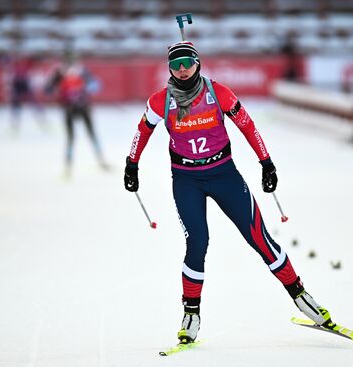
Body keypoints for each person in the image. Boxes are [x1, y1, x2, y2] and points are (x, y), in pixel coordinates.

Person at [123, 41, 334, 344]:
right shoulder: (161, 100)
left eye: (187, 62)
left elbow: (248, 127)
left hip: (224, 175)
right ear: (169, 68)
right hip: (186, 180)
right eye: (175, 64)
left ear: (198, 63)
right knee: (197, 242)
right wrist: (132, 165)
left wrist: (266, 163)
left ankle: (300, 295)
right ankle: (191, 313)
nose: (182, 69)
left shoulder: (218, 92)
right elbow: (142, 131)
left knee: (259, 238)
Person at [46, 52, 110, 178]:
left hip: (70, 108)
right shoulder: (80, 71)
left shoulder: (61, 72)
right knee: (90, 134)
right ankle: (100, 160)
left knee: (72, 137)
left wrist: (58, 91)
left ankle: (68, 166)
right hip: (82, 107)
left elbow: (48, 89)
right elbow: (95, 86)